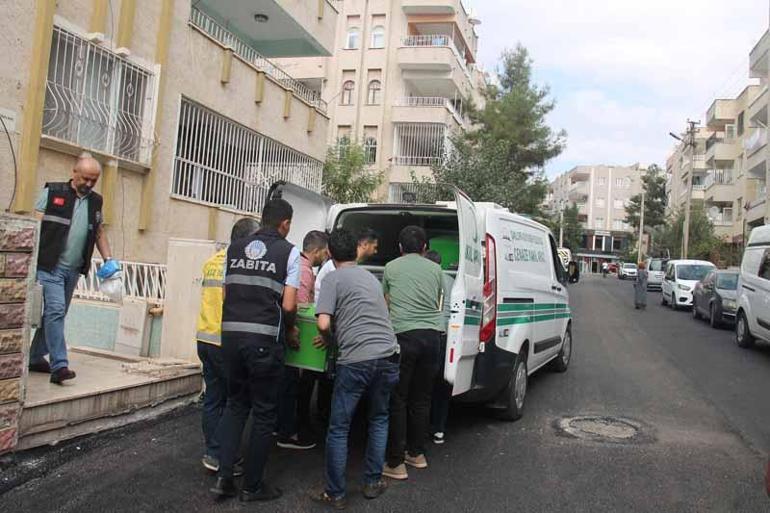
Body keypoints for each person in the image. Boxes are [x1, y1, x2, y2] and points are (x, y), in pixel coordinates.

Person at [210, 199, 300, 503]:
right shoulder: (289, 253)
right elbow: (288, 305)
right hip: (263, 340)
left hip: (231, 339)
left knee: (236, 405)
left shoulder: (233, 249)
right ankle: (252, 486)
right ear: (285, 223)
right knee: (264, 413)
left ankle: (224, 478)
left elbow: (226, 293)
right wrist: (290, 327)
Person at [312, 228, 400, 509]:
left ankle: (335, 493)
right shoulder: (371, 278)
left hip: (356, 360)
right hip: (388, 354)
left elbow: (324, 324)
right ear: (355, 251)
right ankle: (372, 482)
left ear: (329, 254)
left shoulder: (332, 279)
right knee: (379, 418)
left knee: (339, 427)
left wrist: (329, 340)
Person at [29, 152, 118, 385]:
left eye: (93, 180)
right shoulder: (52, 192)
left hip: (73, 269)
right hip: (50, 267)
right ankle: (60, 366)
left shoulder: (96, 201)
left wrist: (109, 259)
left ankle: (35, 357)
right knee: (55, 311)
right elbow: (34, 226)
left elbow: (98, 232)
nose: (88, 184)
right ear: (74, 173)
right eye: (85, 179)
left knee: (56, 315)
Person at [196, 217, 260, 473]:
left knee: (213, 398)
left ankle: (212, 452)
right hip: (225, 341)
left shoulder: (213, 260)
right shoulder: (239, 263)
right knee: (235, 402)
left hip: (205, 337)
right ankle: (224, 457)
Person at [382, 226, 443, 480]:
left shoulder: (390, 267)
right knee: (422, 399)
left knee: (398, 399)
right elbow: (438, 300)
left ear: (399, 247)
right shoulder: (437, 269)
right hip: (432, 337)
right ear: (424, 248)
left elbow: (386, 303)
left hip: (403, 337)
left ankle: (395, 463)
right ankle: (416, 454)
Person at [276, 230, 328, 450]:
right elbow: (299, 306)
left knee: (286, 383)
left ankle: (282, 426)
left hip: (283, 329)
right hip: (293, 331)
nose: (326, 256)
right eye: (324, 252)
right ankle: (288, 432)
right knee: (289, 384)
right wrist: (294, 330)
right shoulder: (304, 271)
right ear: (316, 251)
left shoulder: (296, 264)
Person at [425, 250, 454, 445]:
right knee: (441, 386)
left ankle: (418, 429)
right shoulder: (450, 280)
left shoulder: (422, 280)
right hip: (444, 336)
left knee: (421, 386)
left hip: (423, 334)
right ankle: (439, 429)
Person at [314, 228, 379, 305]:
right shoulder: (334, 266)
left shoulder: (353, 266)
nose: (376, 251)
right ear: (365, 244)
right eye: (374, 247)